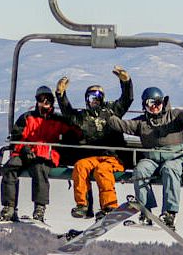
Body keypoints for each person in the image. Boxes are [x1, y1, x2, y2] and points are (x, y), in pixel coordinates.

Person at [108, 86, 183, 230]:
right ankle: (145, 209)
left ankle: (169, 212)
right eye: (151, 103)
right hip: (152, 158)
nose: (155, 107)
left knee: (170, 170)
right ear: (145, 105)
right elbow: (124, 125)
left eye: (158, 103)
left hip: (174, 156)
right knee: (141, 170)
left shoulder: (174, 117)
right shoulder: (142, 123)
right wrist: (109, 118)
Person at [55, 66, 133, 220]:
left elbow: (126, 100)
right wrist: (60, 95)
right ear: (87, 100)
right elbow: (68, 113)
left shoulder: (112, 111)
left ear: (102, 98)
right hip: (92, 157)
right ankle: (82, 205)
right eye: (91, 98)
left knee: (102, 171)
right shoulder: (83, 117)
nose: (94, 101)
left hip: (112, 157)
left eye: (97, 97)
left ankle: (109, 205)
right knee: (80, 166)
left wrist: (126, 82)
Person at [0, 85, 75, 222]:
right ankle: (9, 207)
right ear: (37, 101)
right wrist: (24, 149)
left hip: (46, 156)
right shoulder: (27, 118)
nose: (44, 103)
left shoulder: (58, 121)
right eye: (41, 99)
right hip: (26, 154)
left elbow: (75, 133)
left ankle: (39, 208)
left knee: (39, 170)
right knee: (11, 167)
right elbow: (16, 138)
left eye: (48, 100)